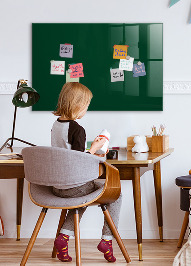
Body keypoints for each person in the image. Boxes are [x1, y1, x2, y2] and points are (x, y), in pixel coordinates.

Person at [51, 82, 121, 263]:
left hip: (57, 186)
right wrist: (96, 148)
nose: (86, 110)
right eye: (86, 106)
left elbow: (68, 154)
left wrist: (90, 150)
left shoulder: (56, 125)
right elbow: (79, 161)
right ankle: (107, 240)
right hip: (74, 186)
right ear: (77, 105)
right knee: (116, 194)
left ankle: (63, 238)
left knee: (81, 197)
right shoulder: (77, 129)